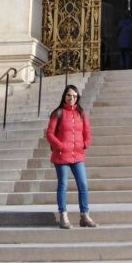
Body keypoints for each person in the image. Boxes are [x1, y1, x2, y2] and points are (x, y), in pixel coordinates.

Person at [45, 84, 97, 229]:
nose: (71, 98)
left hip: (78, 155)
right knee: (63, 185)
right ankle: (63, 216)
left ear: (77, 97)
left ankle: (84, 216)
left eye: (74, 96)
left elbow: (87, 132)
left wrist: (85, 144)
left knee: (83, 185)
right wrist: (60, 146)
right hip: (62, 156)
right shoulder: (58, 113)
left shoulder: (81, 113)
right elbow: (49, 133)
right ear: (64, 96)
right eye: (69, 95)